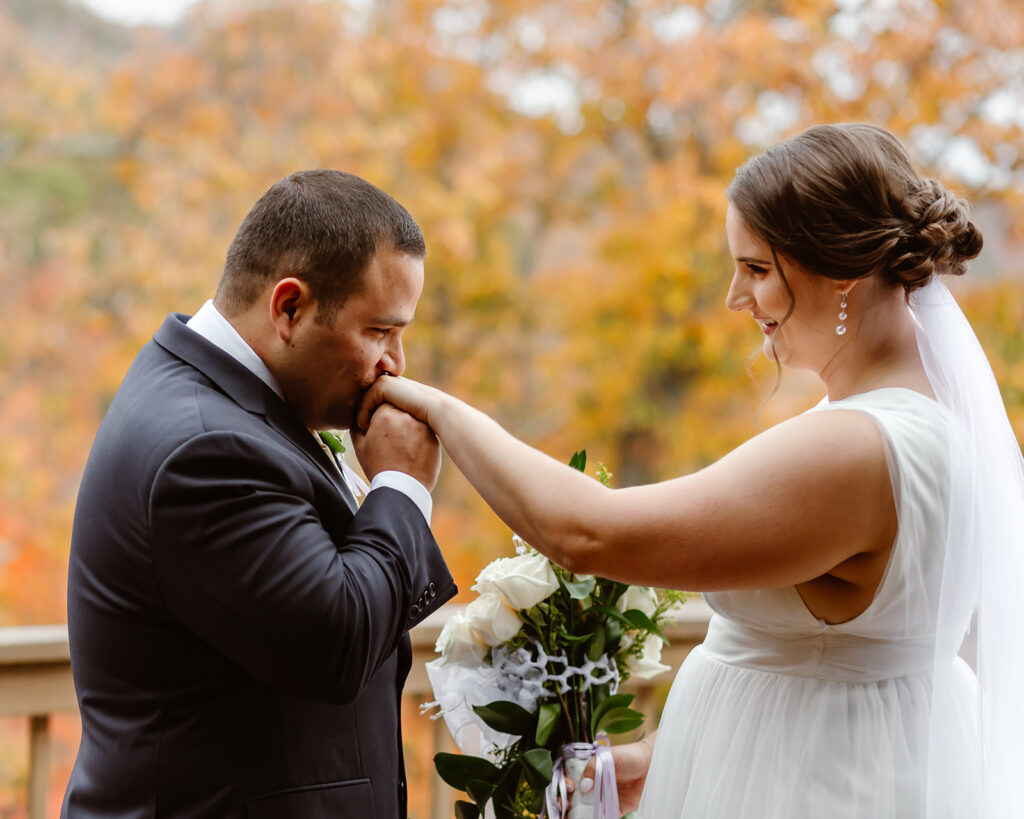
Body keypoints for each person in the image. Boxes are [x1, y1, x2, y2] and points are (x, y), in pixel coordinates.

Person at [358, 124, 1024, 816]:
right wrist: (666, 759)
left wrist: (434, 407)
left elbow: (588, 532)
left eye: (758, 269)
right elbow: (841, 670)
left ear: (841, 271)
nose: (736, 297)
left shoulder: (859, 447)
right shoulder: (933, 420)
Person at [62, 170, 456, 818]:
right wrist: (402, 484)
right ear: (289, 308)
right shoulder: (204, 448)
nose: (396, 363)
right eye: (380, 331)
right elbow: (336, 638)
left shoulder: (228, 404)